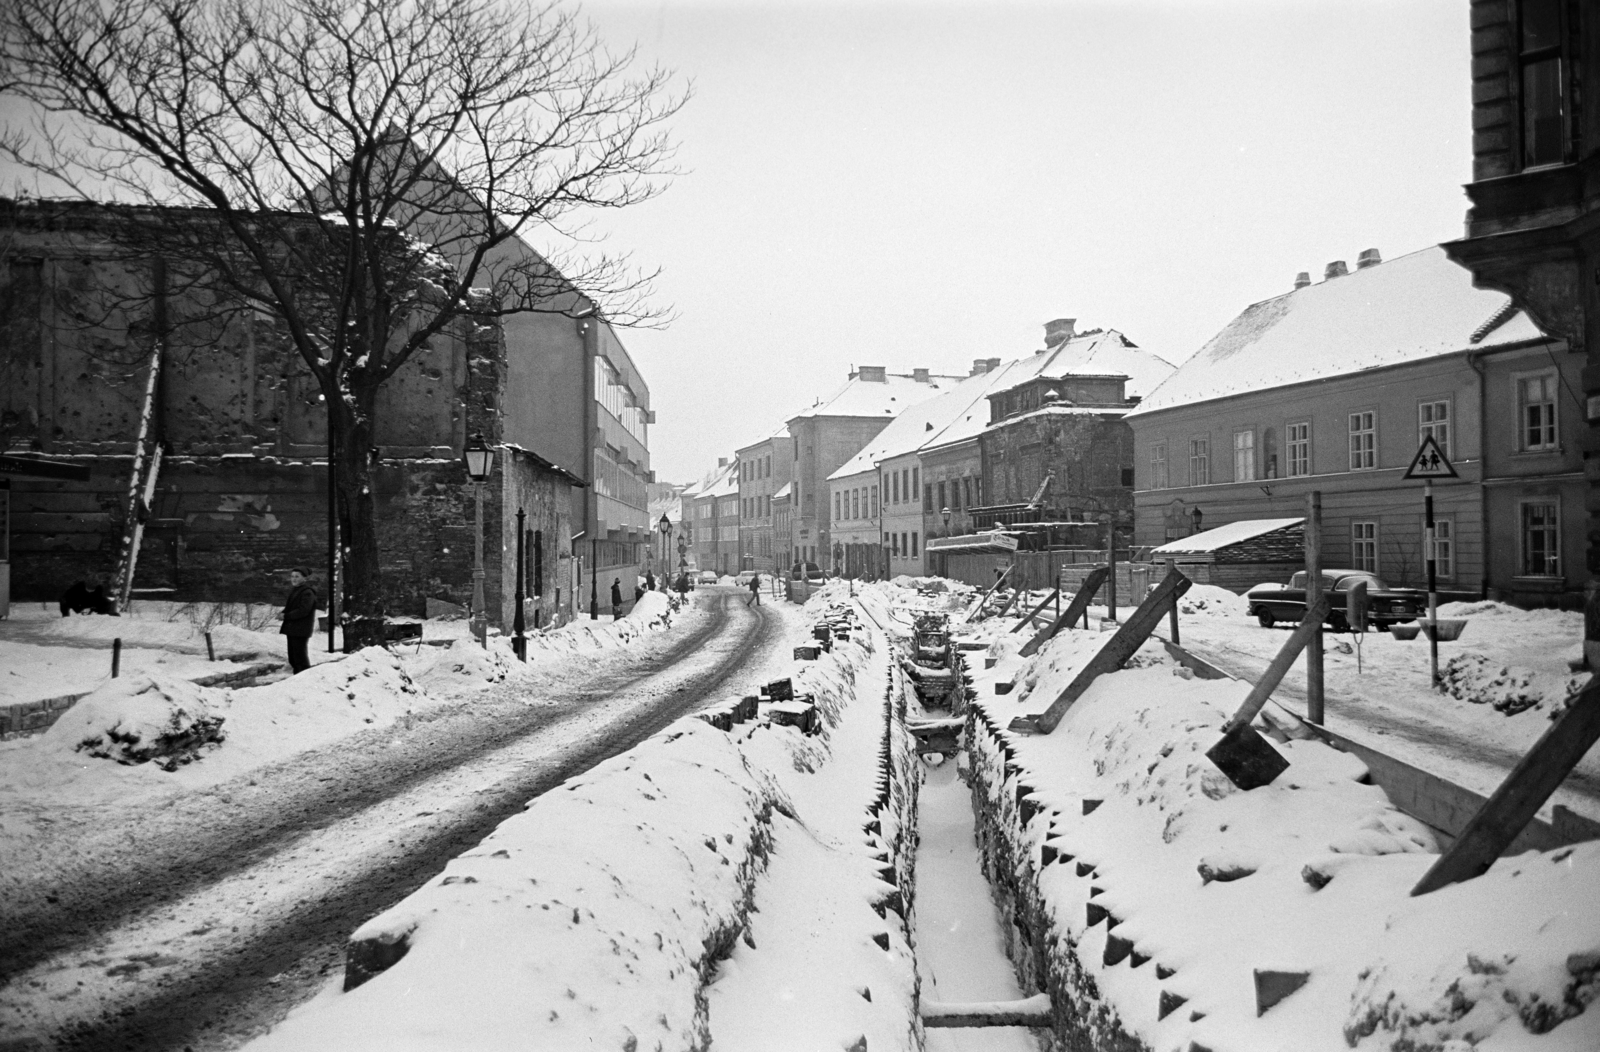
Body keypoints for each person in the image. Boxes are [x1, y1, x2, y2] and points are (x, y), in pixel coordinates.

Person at [279, 568, 319, 674]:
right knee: (293, 657)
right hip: (293, 629)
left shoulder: (307, 592)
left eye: (297, 576)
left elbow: (303, 610)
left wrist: (286, 616)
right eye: (292, 576)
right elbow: (292, 607)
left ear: (304, 578)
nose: (293, 579)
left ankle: (304, 679)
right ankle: (298, 679)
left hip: (300, 629)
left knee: (300, 658)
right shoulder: (296, 590)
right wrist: (282, 613)